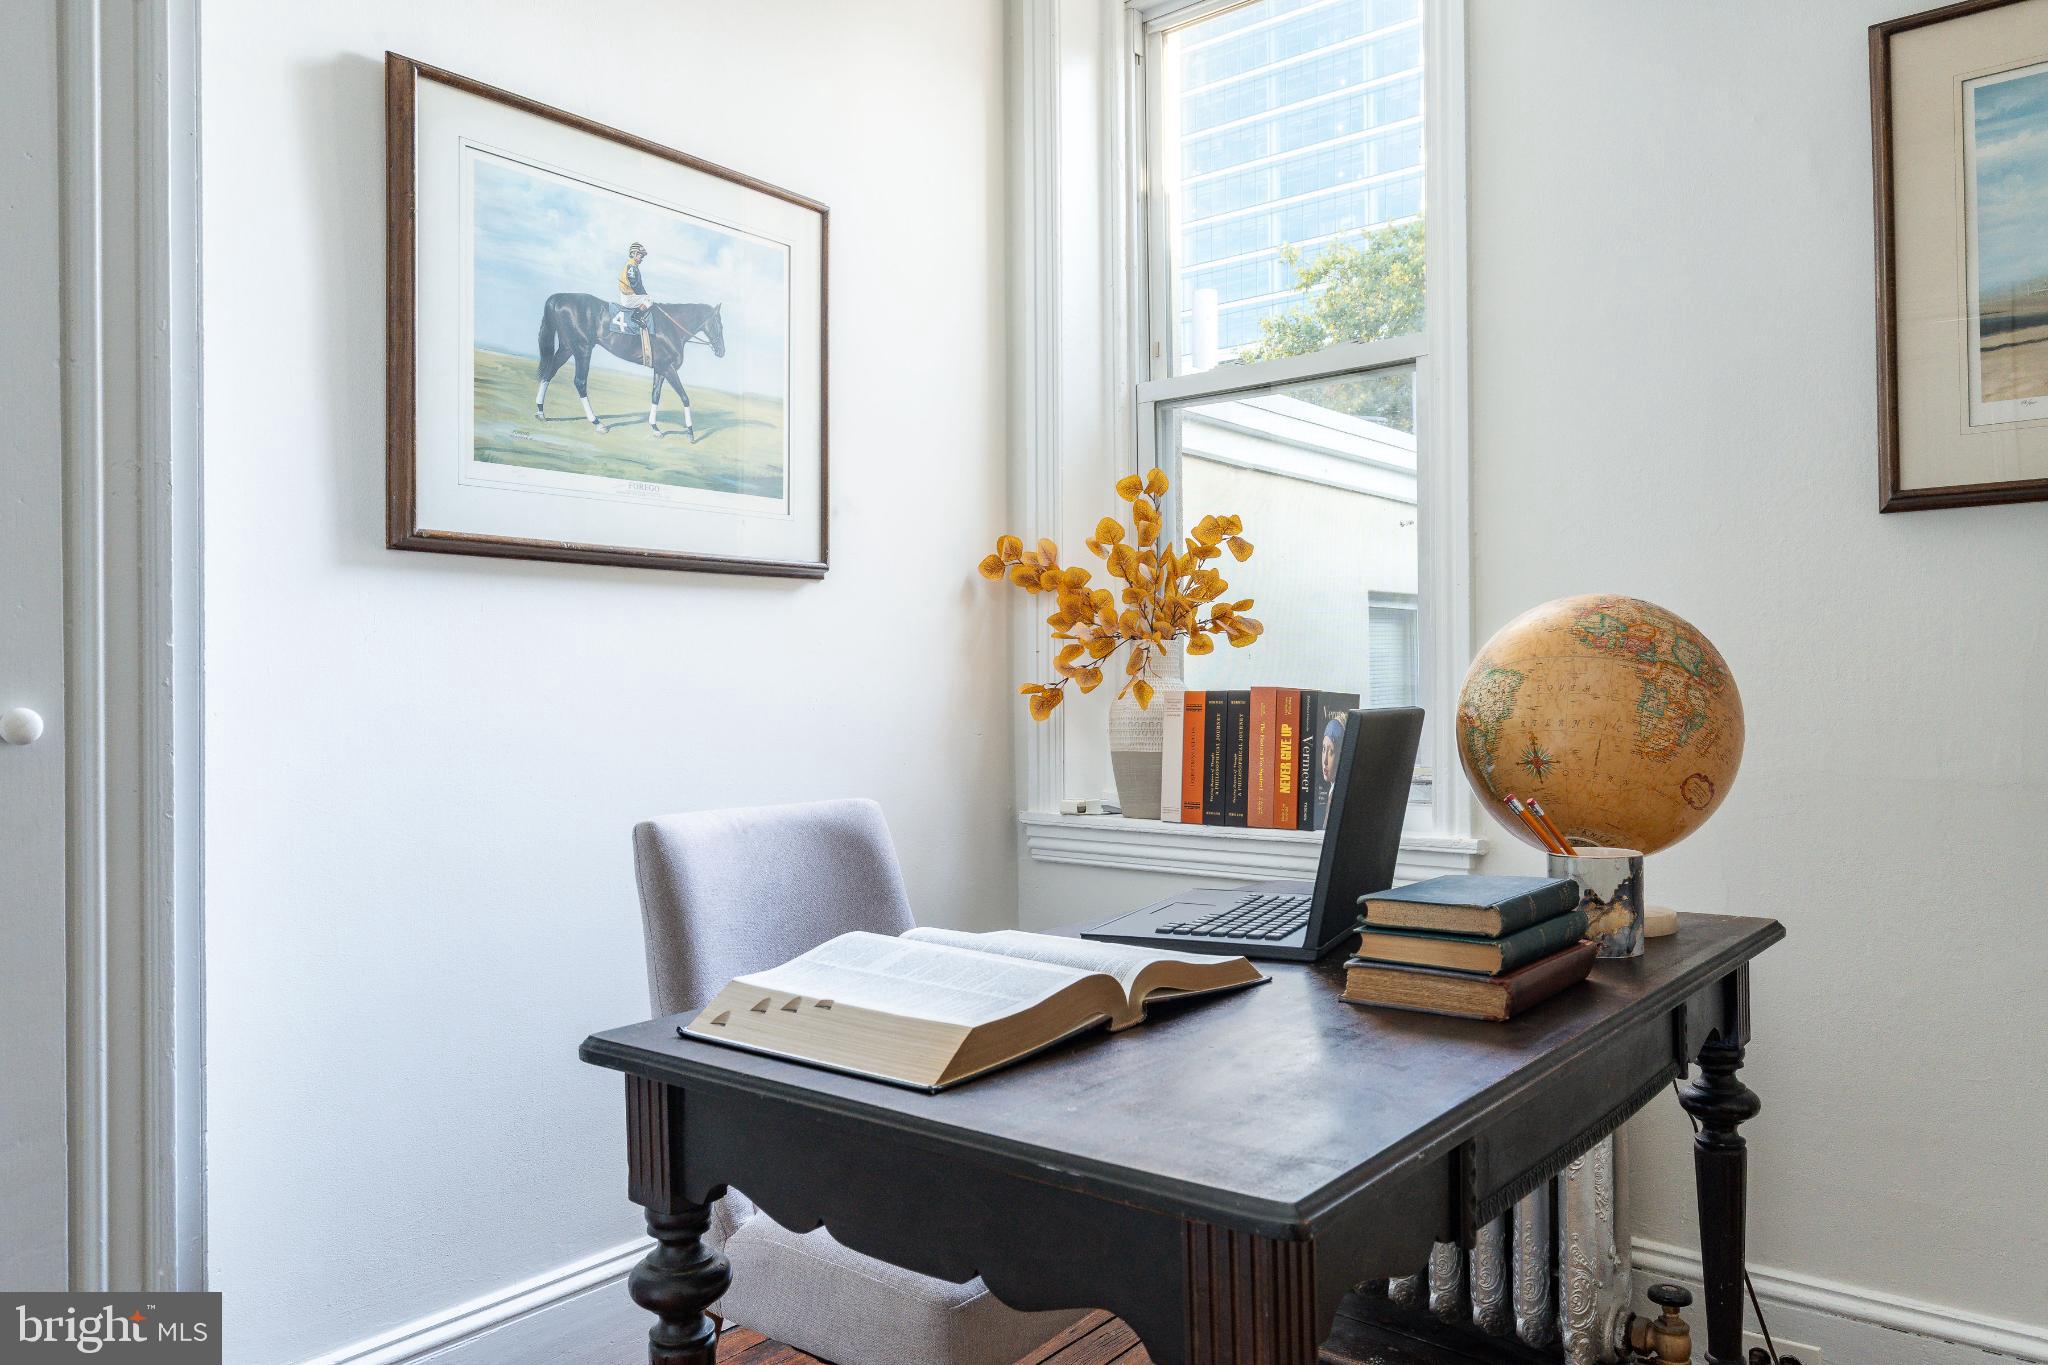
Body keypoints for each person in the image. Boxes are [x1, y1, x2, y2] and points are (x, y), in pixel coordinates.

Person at [616, 242, 654, 364]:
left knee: (647, 297)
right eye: (641, 256)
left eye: (642, 256)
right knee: (650, 300)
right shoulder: (632, 266)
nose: (642, 258)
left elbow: (638, 286)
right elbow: (635, 284)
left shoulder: (632, 265)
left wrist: (643, 294)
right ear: (634, 254)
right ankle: (636, 316)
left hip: (628, 294)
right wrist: (644, 296)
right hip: (628, 297)